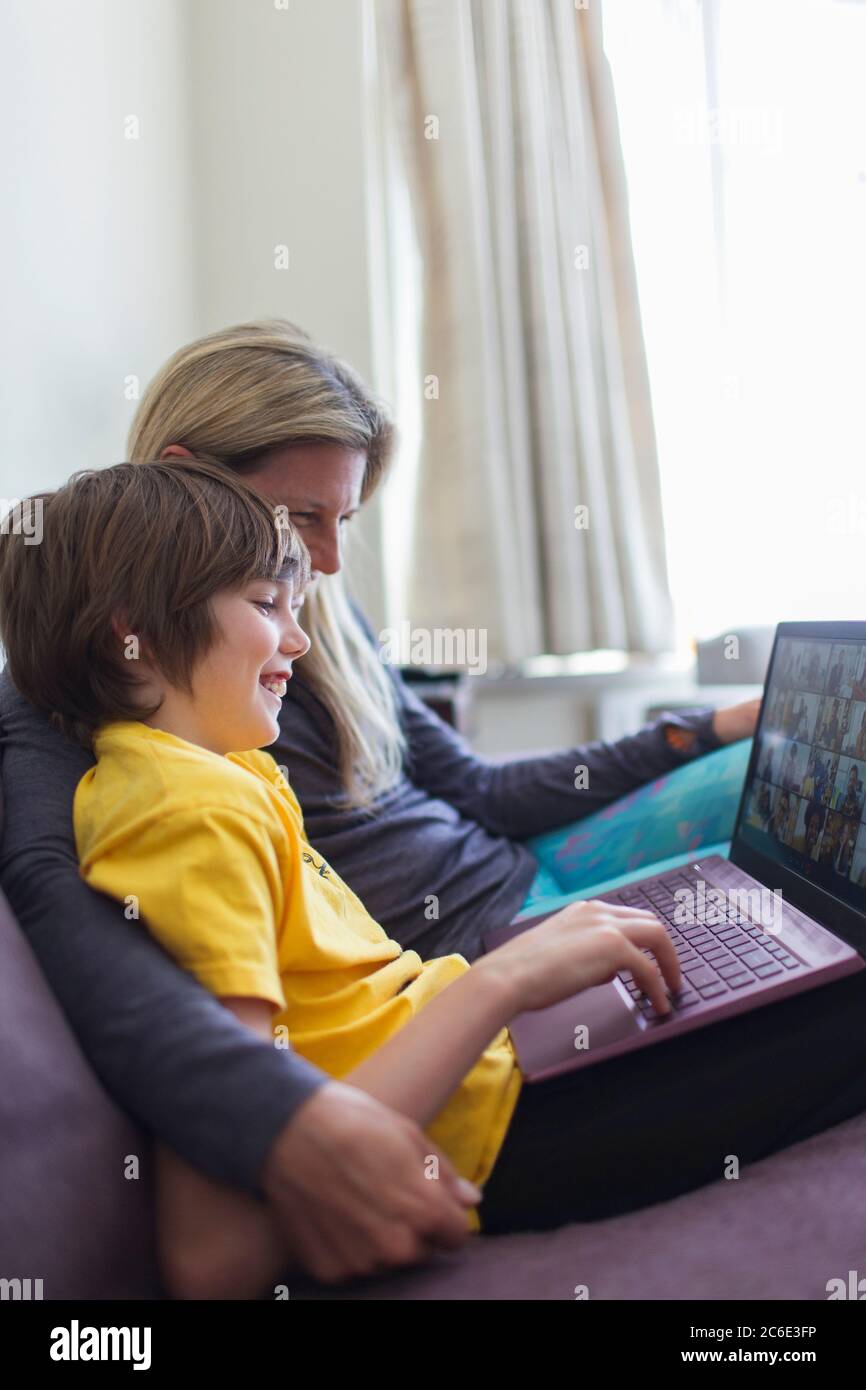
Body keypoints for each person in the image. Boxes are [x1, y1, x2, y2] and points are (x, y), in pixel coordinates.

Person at [0, 321, 759, 1284]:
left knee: (771, 807)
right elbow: (56, 882)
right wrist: (493, 985)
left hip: (491, 930)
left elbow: (475, 788)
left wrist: (703, 727)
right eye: (297, 528)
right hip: (483, 967)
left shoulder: (242, 741)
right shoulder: (166, 776)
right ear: (190, 473)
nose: (322, 576)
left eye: (343, 523)